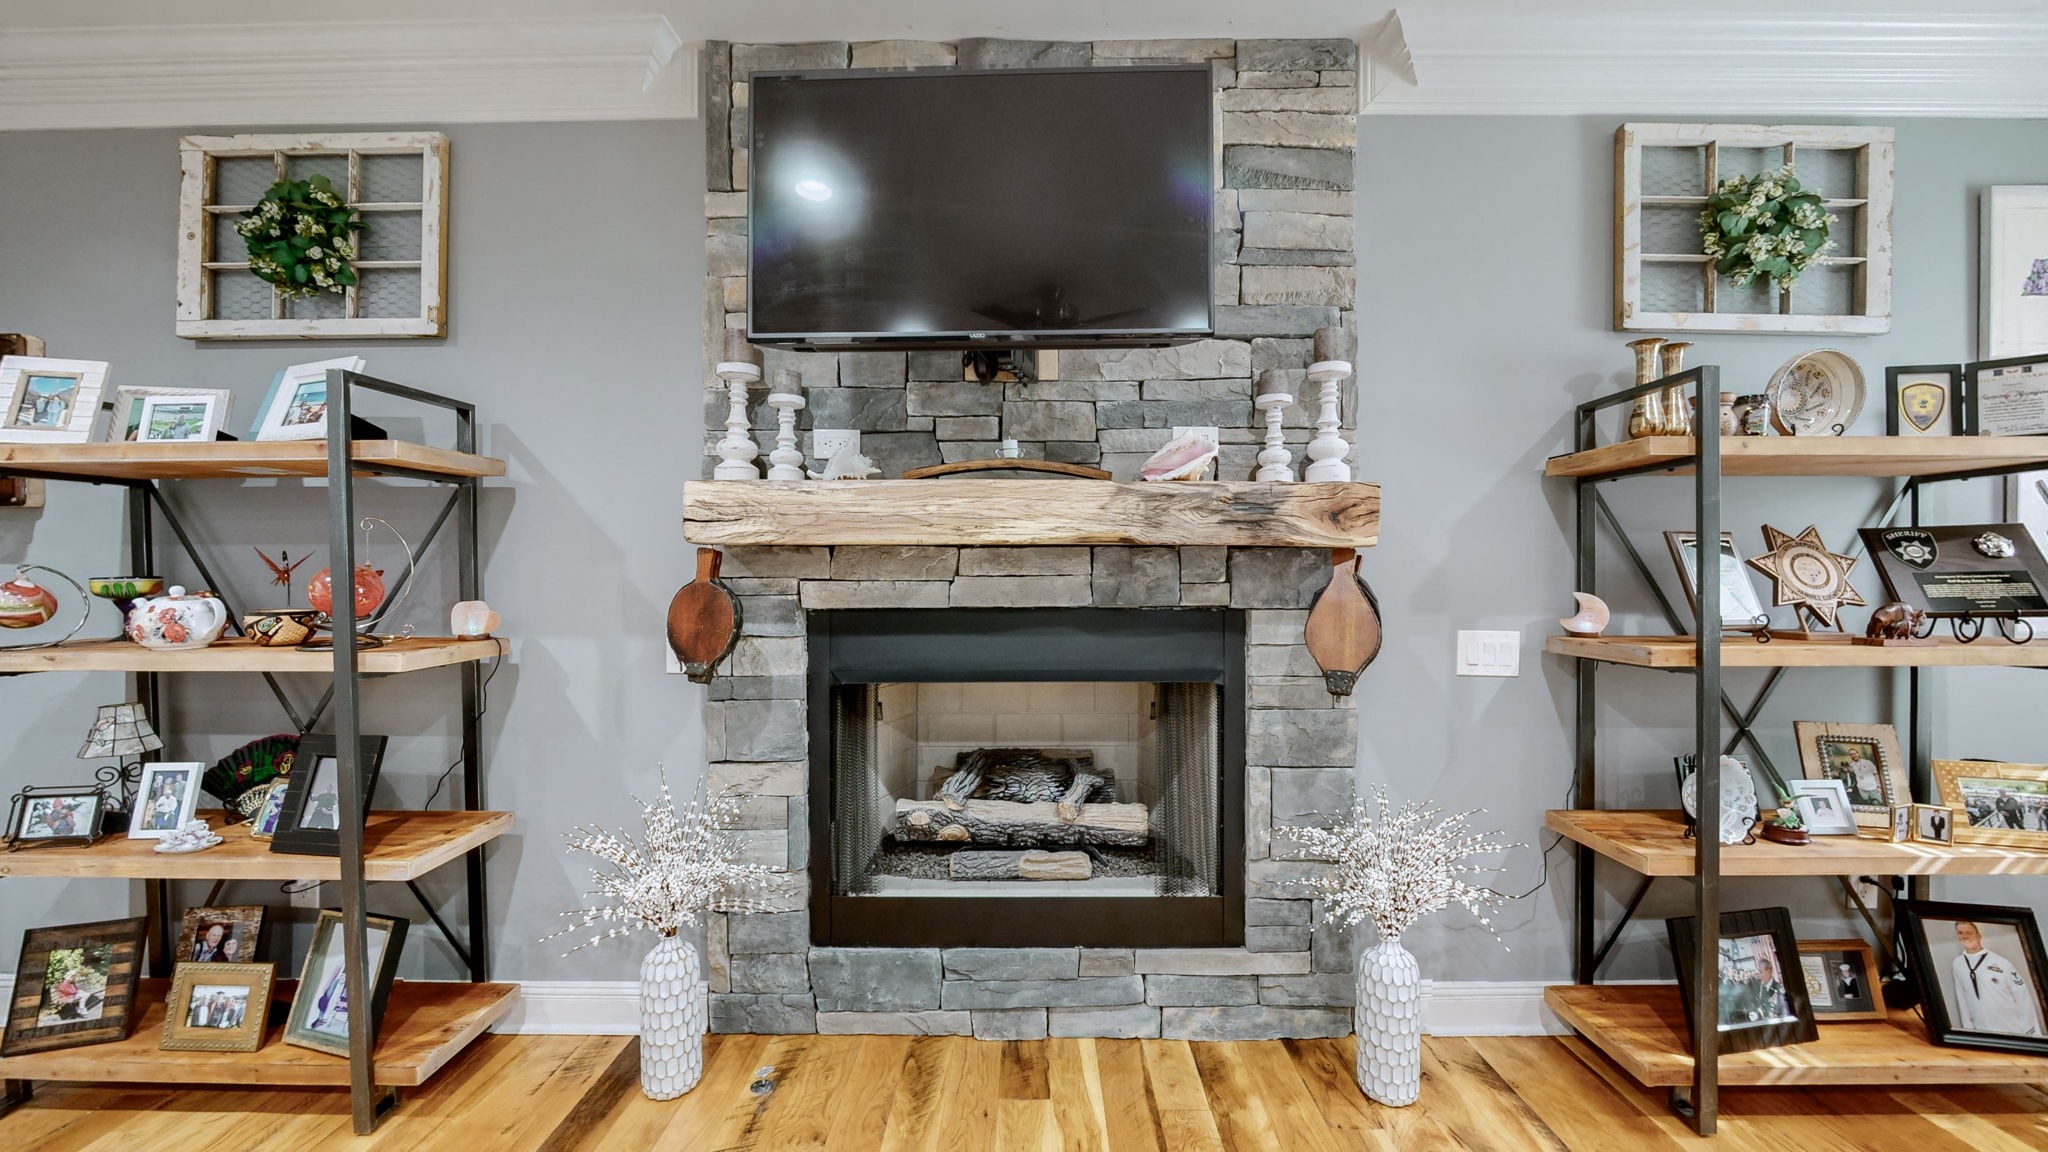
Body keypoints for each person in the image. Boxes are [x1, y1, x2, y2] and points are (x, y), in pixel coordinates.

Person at [1950, 921, 2044, 1036]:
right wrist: (1969, 1031)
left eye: (1968, 932)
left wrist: (2030, 1033)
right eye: (1960, 933)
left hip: (2012, 1030)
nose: (1964, 936)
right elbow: (1962, 998)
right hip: (1983, 1032)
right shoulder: (1957, 964)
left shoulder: (2001, 963)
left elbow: (2022, 997)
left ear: (1978, 936)